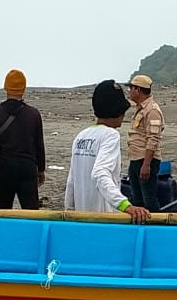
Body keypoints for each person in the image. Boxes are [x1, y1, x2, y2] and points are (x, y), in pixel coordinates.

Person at [64, 80, 150, 223]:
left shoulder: (81, 136)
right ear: (117, 111)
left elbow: (71, 181)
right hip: (104, 219)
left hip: (82, 218)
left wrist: (69, 211)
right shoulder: (110, 136)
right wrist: (125, 205)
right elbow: (100, 173)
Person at [0, 69, 45, 210]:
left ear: (6, 87)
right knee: (31, 212)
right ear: (23, 89)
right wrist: (41, 169)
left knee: (2, 212)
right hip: (28, 167)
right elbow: (39, 145)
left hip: (5, 167)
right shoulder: (33, 114)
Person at [126, 74, 164, 212]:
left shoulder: (152, 110)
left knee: (149, 199)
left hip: (146, 159)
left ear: (139, 90)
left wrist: (146, 165)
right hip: (136, 158)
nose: (129, 91)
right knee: (137, 200)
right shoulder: (140, 108)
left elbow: (153, 138)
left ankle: (155, 228)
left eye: (131, 88)